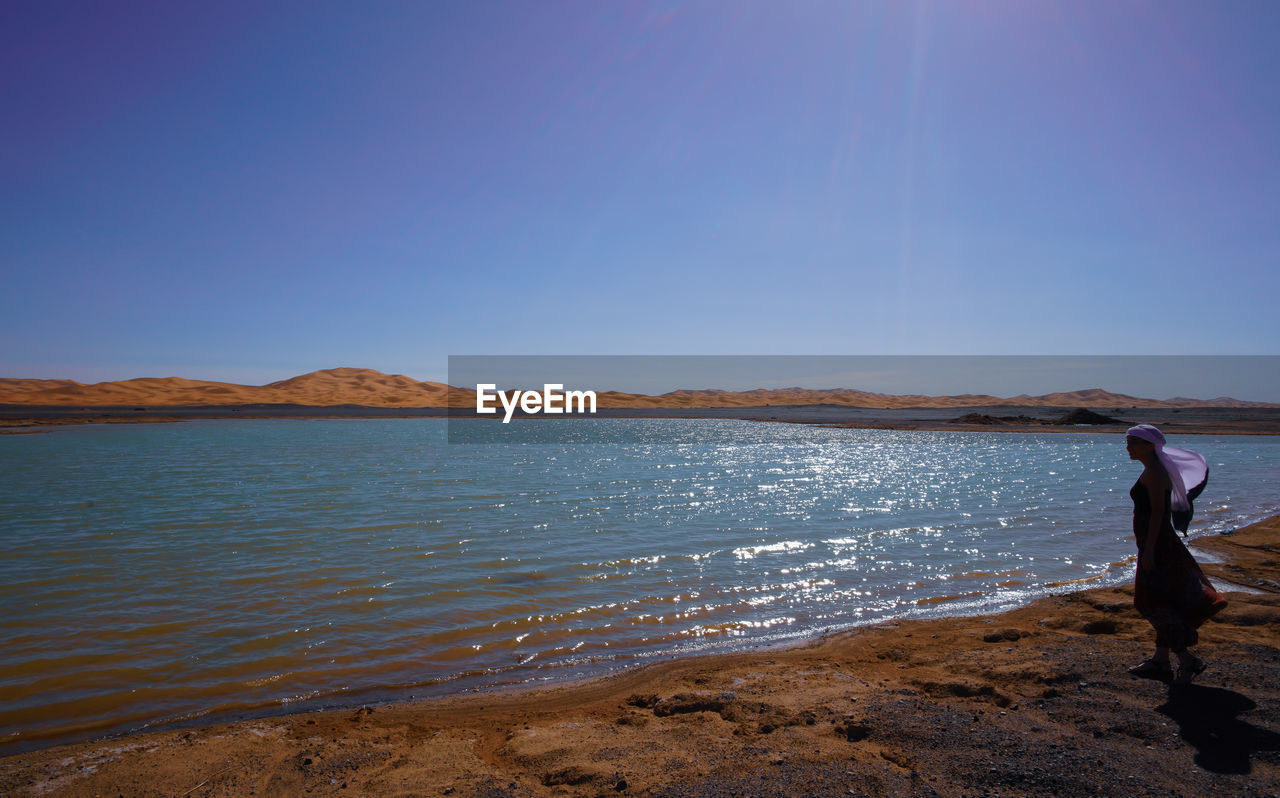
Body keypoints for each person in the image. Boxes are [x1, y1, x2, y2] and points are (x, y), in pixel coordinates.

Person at [1123, 424, 1227, 685]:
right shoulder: (1152, 469)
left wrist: (1149, 550)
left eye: (1135, 442)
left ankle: (1187, 660)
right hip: (1153, 541)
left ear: (1150, 445)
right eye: (1128, 442)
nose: (1129, 447)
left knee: (1148, 602)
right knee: (1163, 599)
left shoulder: (1156, 472)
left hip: (1158, 544)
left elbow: (1159, 513)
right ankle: (1160, 660)